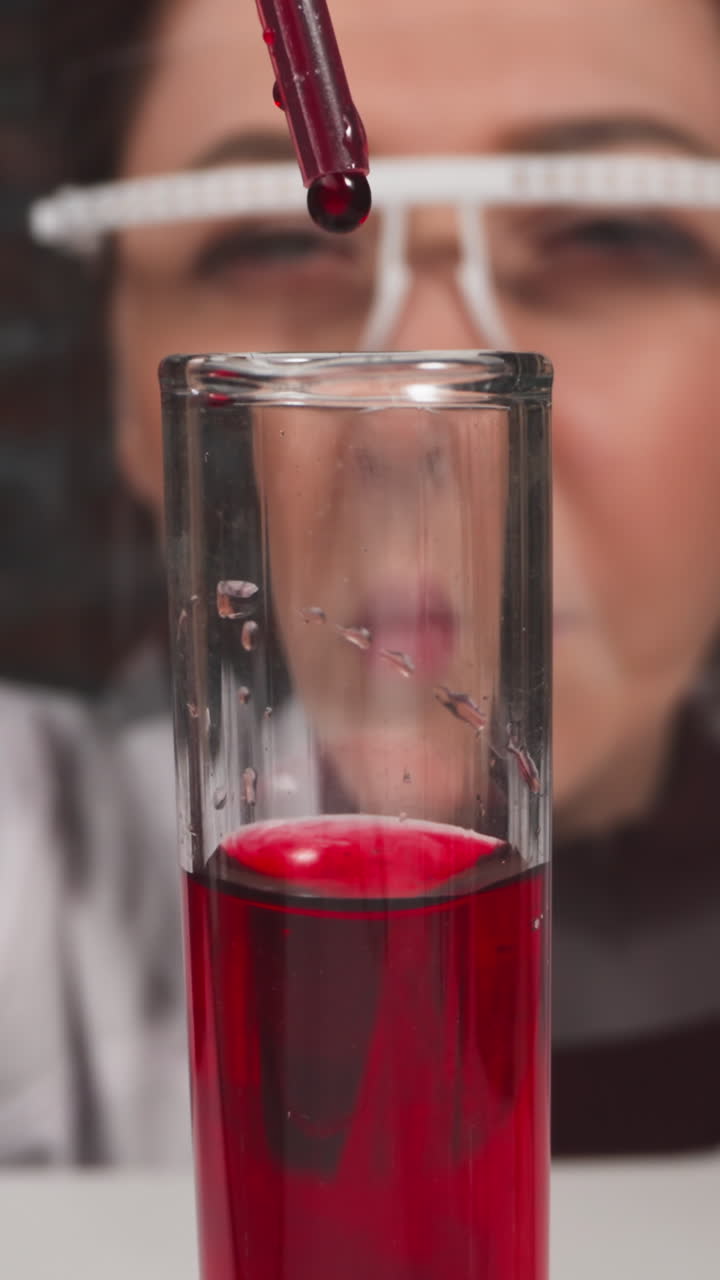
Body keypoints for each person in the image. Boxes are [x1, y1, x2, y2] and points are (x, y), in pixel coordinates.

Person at [3, 0, 719, 1163]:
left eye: (615, 233)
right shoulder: (39, 884)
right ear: (120, 400)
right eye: (273, 245)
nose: (416, 434)